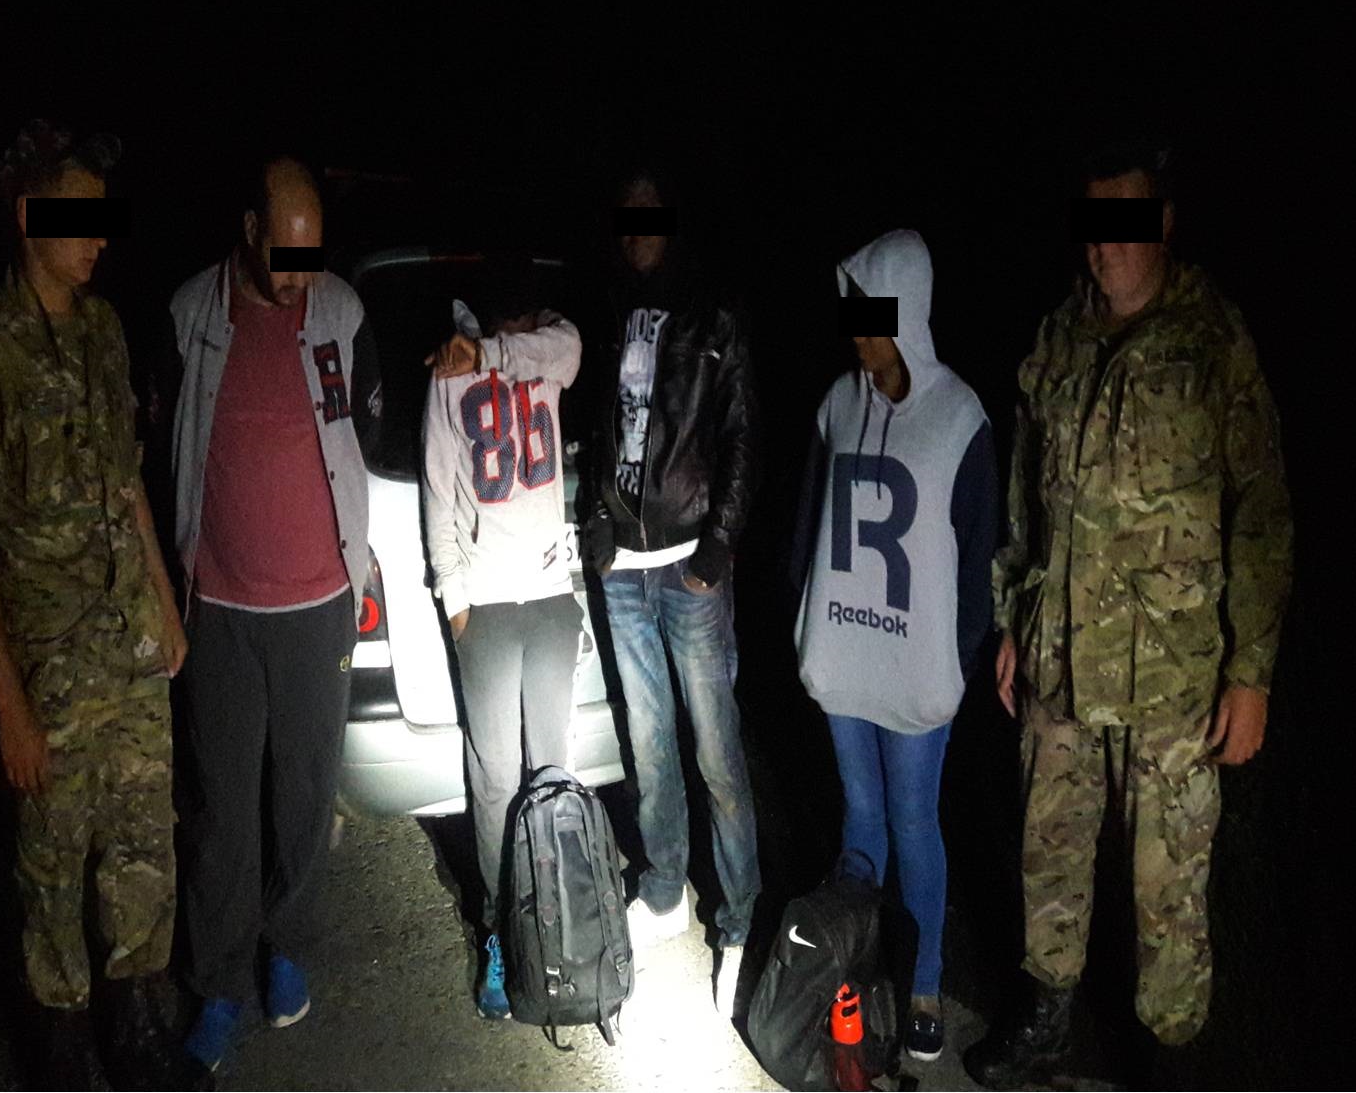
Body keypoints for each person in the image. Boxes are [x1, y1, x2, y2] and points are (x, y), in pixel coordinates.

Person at [963, 142, 1293, 1087]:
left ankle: (1170, 1059)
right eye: (1093, 226)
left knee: (1167, 891)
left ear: (1165, 222)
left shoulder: (1210, 341)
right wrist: (1014, 618)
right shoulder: (1060, 335)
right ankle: (1049, 1022)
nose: (1104, 248)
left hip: (1171, 680)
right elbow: (1027, 496)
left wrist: (1250, 674)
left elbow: (1262, 511)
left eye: (1124, 225)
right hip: (1063, 661)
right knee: (1051, 858)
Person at [0, 120, 187, 1088]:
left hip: (129, 642)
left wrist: (164, 602)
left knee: (143, 843)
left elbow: (127, 481)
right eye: (77, 219)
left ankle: (141, 1032)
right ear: (25, 216)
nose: (96, 239)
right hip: (49, 663)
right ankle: (68, 1052)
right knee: (52, 865)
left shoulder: (103, 331)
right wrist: (8, 704)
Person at [169, 156, 380, 1074]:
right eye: (285, 255)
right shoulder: (189, 315)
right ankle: (216, 983)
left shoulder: (342, 312)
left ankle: (286, 944)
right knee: (222, 811)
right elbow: (161, 445)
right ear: (251, 229)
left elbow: (367, 425)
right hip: (219, 606)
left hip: (319, 605)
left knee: (303, 794)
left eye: (312, 256)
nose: (299, 278)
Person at [792, 231, 996, 1062]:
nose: (857, 333)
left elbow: (978, 552)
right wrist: (801, 619)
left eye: (871, 315)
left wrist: (961, 659)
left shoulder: (959, 416)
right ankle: (857, 971)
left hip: (915, 668)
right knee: (860, 814)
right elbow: (809, 523)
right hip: (846, 653)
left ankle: (925, 981)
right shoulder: (838, 404)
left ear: (907, 311)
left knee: (914, 819)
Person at [582, 167, 761, 1017]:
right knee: (648, 744)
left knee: (717, 750)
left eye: (649, 216)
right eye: (626, 217)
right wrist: (596, 523)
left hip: (690, 564)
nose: (636, 231)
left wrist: (718, 544)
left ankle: (739, 917)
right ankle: (663, 890)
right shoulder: (606, 307)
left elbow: (742, 431)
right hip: (624, 567)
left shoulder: (712, 312)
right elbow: (593, 422)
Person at [422, 268, 585, 1018]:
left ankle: (555, 920)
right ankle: (498, 930)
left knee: (552, 769)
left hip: (549, 597)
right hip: (486, 605)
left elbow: (570, 346)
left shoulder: (544, 345)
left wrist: (491, 351)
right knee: (493, 779)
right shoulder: (446, 374)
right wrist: (456, 604)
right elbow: (438, 492)